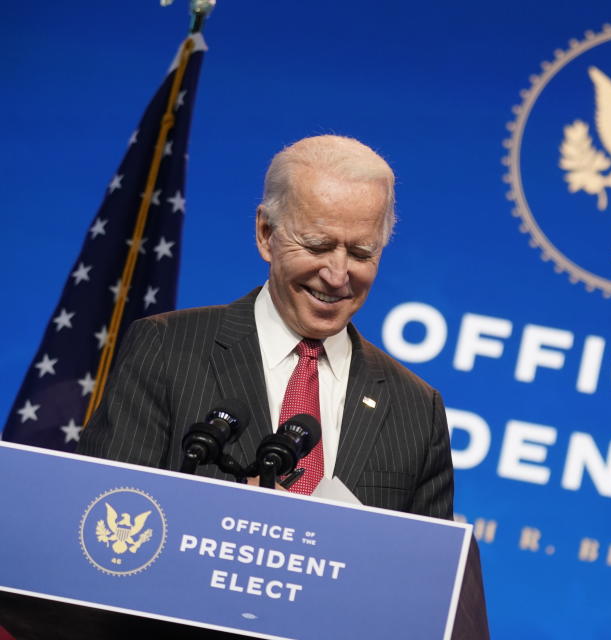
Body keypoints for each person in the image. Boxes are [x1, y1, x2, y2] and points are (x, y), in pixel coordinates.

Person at [77, 135, 488, 637]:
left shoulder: (416, 408)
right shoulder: (167, 349)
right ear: (266, 234)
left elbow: (426, 606)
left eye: (361, 252)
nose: (337, 275)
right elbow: (95, 540)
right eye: (317, 245)